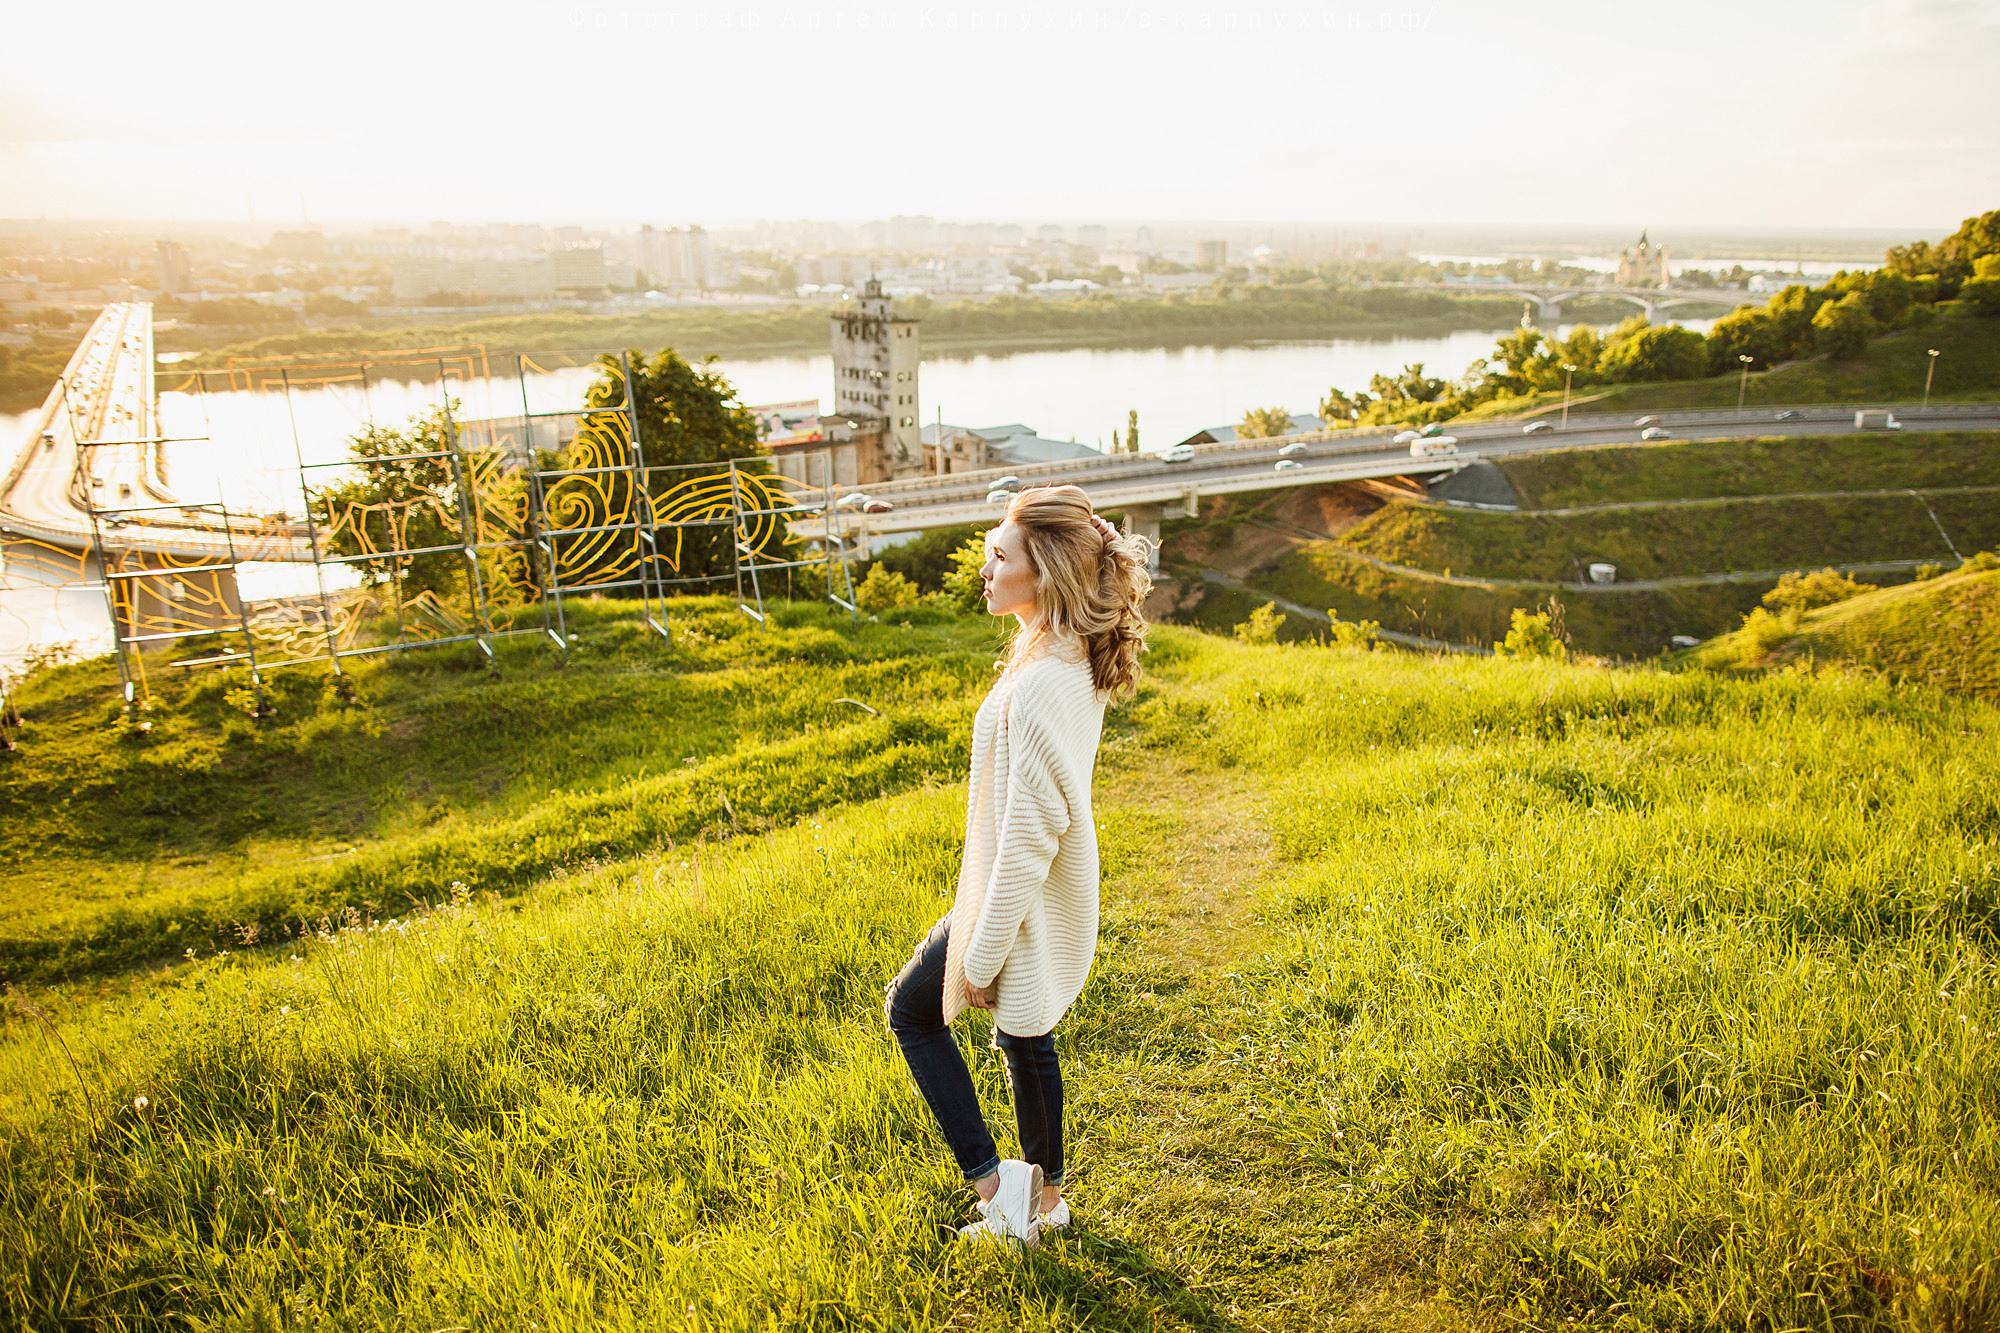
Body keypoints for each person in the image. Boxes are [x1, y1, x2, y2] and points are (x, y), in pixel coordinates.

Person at [884, 484, 1155, 1248]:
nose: (985, 564)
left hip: (1022, 897)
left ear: (1044, 574)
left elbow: (1030, 837)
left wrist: (983, 948)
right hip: (1037, 894)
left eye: (1000, 555)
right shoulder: (1061, 650)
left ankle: (1002, 1191)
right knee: (1027, 1040)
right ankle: (1047, 1204)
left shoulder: (1041, 684)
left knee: (912, 1009)